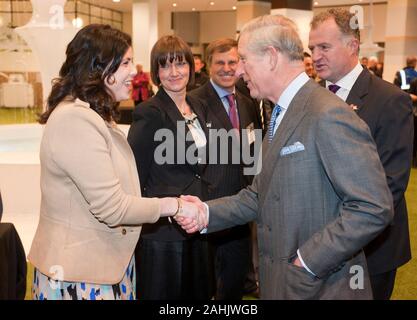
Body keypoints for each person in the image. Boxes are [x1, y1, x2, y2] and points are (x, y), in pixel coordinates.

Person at [178, 14, 393, 300]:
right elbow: (260, 195)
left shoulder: (327, 114)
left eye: (243, 59)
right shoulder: (280, 112)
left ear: (270, 57)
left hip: (321, 288)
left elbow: (372, 206)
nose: (239, 70)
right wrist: (205, 212)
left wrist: (308, 262)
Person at [27, 24, 197, 300]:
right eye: (126, 63)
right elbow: (113, 207)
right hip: (79, 274)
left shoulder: (92, 115)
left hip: (103, 266)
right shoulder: (75, 119)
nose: (133, 71)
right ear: (98, 68)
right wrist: (174, 206)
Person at [309, 8, 414, 300]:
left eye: (324, 47)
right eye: (312, 48)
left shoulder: (391, 100)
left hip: (371, 249)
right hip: (316, 243)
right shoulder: (307, 96)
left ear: (352, 46)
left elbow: (389, 184)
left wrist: (338, 237)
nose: (316, 55)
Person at [127, 35, 213, 300]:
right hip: (163, 232)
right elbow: (134, 176)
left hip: (198, 225)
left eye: (180, 64)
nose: (174, 73)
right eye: (165, 66)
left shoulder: (199, 105)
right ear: (156, 72)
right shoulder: (149, 112)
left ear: (191, 66)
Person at [189, 38, 262, 300]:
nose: (227, 68)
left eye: (233, 61)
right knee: (206, 288)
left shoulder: (248, 101)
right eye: (220, 62)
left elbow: (254, 151)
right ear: (208, 65)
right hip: (207, 213)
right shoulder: (193, 103)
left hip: (241, 212)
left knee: (233, 286)